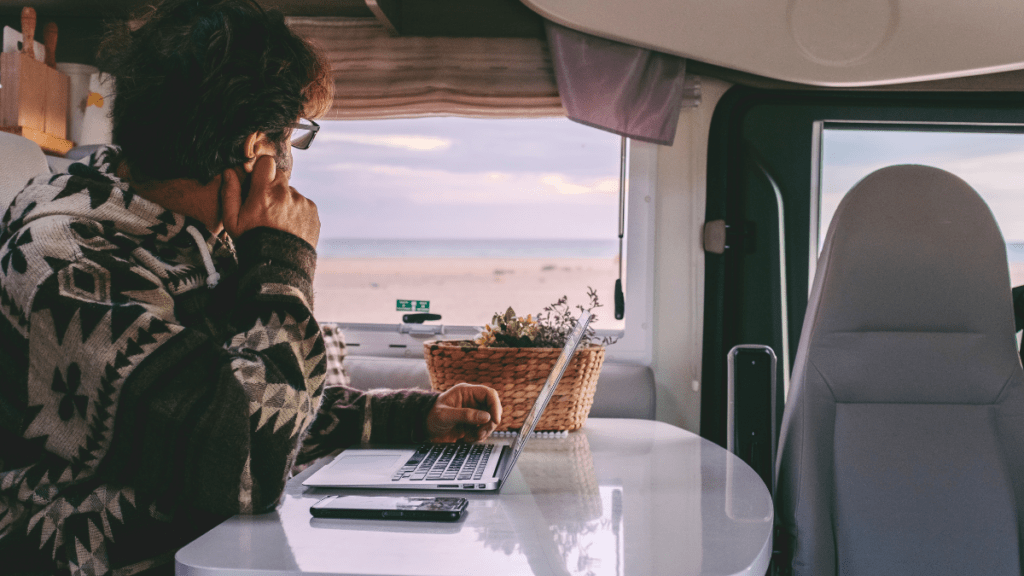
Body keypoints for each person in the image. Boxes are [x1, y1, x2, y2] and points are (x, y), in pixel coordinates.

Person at [0, 1, 501, 574]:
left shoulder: (182, 240)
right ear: (257, 147)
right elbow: (245, 463)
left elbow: (236, 397)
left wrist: (409, 418)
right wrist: (284, 262)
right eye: (292, 137)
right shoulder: (65, 265)